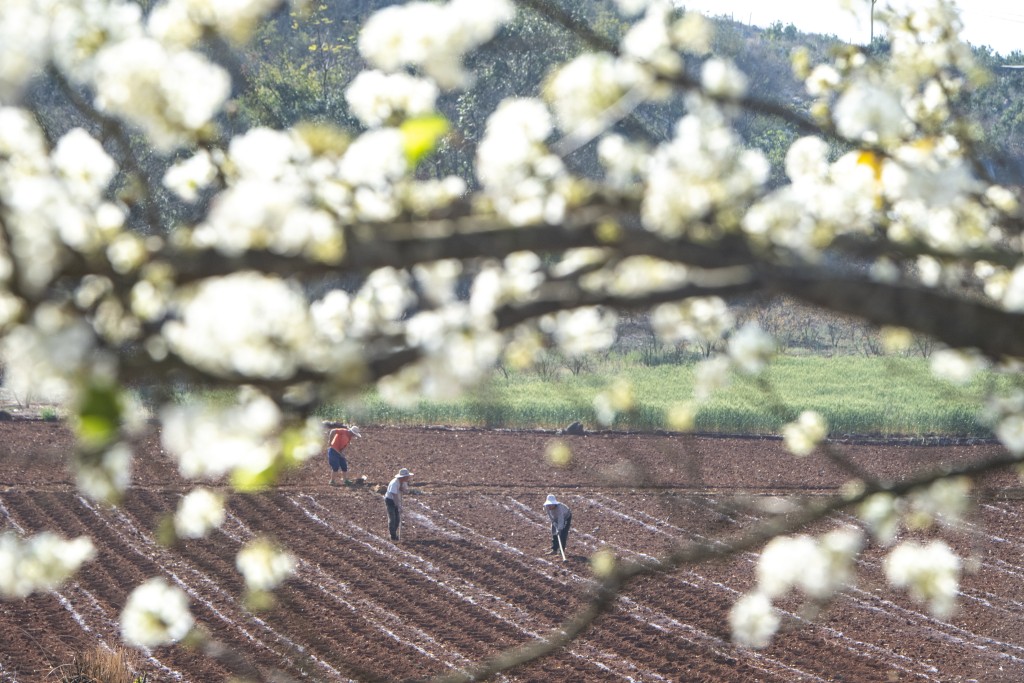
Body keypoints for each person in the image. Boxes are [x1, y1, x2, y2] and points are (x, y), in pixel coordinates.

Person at [384, 468, 414, 541]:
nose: (408, 478)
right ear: (403, 477)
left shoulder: (404, 482)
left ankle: (393, 532)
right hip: (390, 501)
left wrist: (403, 489)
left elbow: (407, 491)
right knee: (392, 518)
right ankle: (393, 536)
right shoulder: (394, 483)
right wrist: (398, 506)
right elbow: (394, 495)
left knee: (397, 520)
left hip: (397, 500)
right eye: (407, 476)